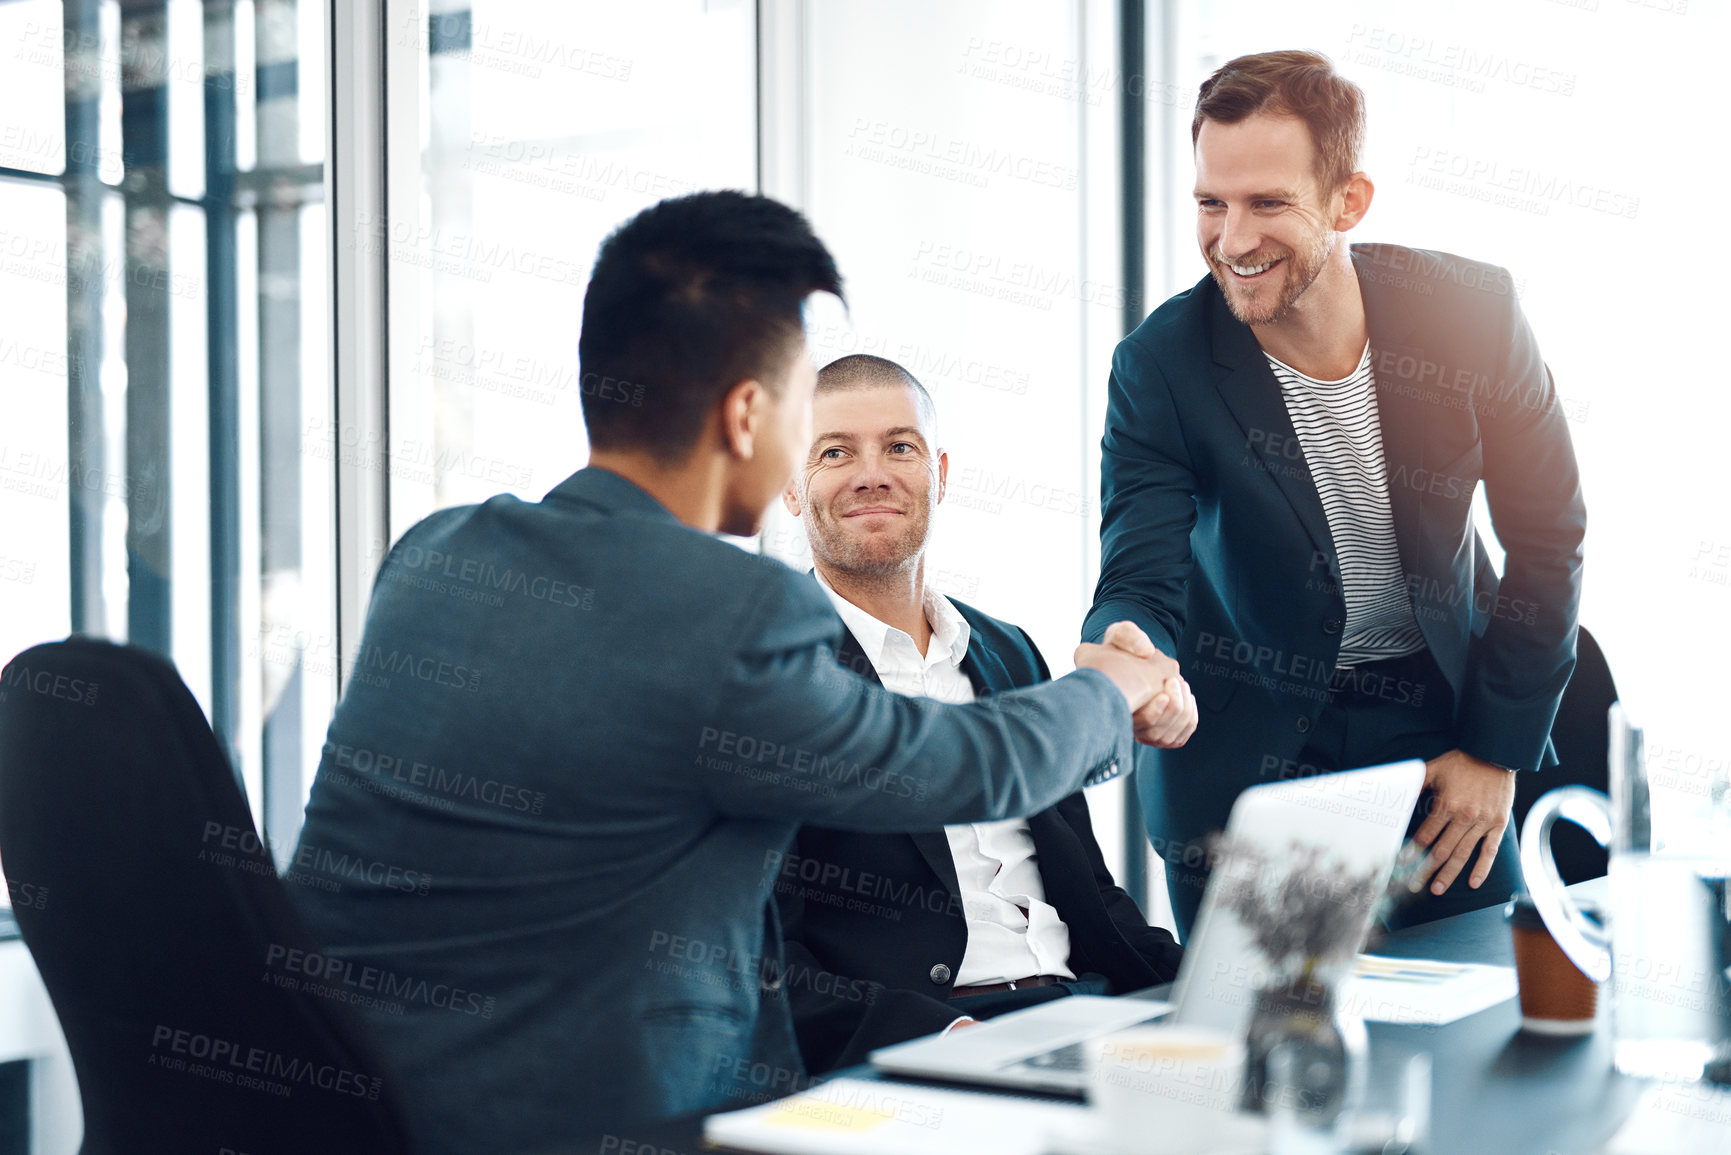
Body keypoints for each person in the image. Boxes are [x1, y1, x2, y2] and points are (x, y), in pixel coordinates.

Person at [287, 191, 1182, 1153]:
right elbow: (964, 767)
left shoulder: (434, 556)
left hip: (349, 1110)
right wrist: (1116, 686)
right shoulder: (731, 612)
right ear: (751, 415)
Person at [1083, 50, 1586, 935]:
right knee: (1263, 1056)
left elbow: (1547, 534)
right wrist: (1124, 644)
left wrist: (1494, 750)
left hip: (1438, 731)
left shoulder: (1470, 312)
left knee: (1475, 1018)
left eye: (1268, 203)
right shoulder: (1159, 365)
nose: (1232, 240)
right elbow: (1139, 569)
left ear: (1348, 201)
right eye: (1211, 203)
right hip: (1247, 750)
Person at [772, 355, 1185, 1074]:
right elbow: (767, 958)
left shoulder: (1007, 649)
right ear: (788, 486)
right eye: (835, 452)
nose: (872, 472)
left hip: (1084, 1012)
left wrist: (1214, 987)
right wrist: (943, 1042)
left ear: (939, 471)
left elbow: (1085, 890)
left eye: (899, 447)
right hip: (932, 1038)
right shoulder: (771, 674)